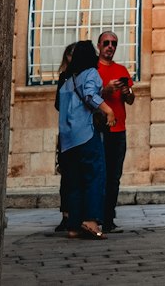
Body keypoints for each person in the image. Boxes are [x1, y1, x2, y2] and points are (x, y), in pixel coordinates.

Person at [58, 39, 114, 238]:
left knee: (74, 181)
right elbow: (90, 95)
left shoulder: (66, 81)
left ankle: (73, 226)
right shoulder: (90, 74)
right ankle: (91, 221)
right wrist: (108, 110)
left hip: (67, 140)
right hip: (85, 135)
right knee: (95, 176)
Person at [97, 30, 134, 234]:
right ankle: (96, 216)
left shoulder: (121, 70)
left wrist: (127, 92)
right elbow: (90, 96)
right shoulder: (93, 69)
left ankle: (109, 218)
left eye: (114, 43)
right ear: (99, 46)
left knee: (114, 176)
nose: (110, 46)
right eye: (106, 43)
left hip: (119, 129)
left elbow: (130, 100)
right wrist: (106, 91)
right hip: (99, 129)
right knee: (99, 175)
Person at [52, 43, 76, 233]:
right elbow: (58, 104)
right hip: (67, 132)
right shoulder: (64, 78)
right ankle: (66, 214)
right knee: (67, 175)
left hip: (79, 132)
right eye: (70, 55)